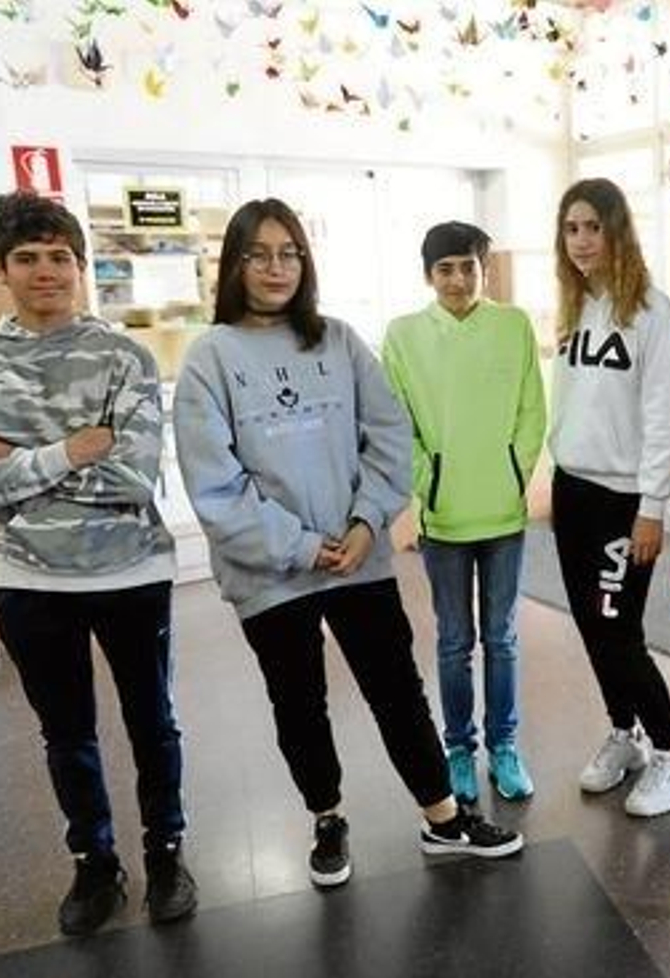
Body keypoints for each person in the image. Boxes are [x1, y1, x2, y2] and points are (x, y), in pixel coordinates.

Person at [174, 198, 521, 888]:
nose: (277, 268)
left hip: (359, 558)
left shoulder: (337, 340)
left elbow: (389, 435)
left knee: (397, 688)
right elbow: (215, 485)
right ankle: (327, 816)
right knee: (298, 698)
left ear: (306, 262)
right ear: (234, 264)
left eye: (290, 252)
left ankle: (444, 817)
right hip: (271, 573)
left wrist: (367, 522)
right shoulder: (210, 358)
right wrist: (302, 546)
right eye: (260, 254)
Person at [0, 192, 196, 935]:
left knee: (153, 721)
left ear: (79, 267)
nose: (46, 271)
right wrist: (72, 449)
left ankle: (167, 850)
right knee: (67, 732)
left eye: (60, 257)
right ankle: (95, 861)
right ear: (0, 269)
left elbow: (133, 478)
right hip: (27, 580)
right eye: (27, 258)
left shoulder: (124, 357)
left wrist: (15, 460)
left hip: (131, 573)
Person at [381, 221, 546, 805]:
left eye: (467, 266)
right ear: (429, 275)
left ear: (483, 269)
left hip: (503, 515)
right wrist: (432, 483)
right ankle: (458, 748)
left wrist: (513, 474)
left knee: (501, 639)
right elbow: (397, 425)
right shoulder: (403, 336)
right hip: (444, 520)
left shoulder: (513, 325)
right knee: (455, 640)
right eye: (445, 268)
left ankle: (504, 745)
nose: (457, 278)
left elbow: (533, 411)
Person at [551, 177, 670, 817]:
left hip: (621, 499)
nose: (581, 241)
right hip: (573, 489)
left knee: (617, 630)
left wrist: (651, 508)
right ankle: (626, 734)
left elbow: (665, 417)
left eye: (592, 226)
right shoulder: (575, 306)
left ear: (617, 229)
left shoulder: (652, 312)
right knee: (590, 623)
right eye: (571, 228)